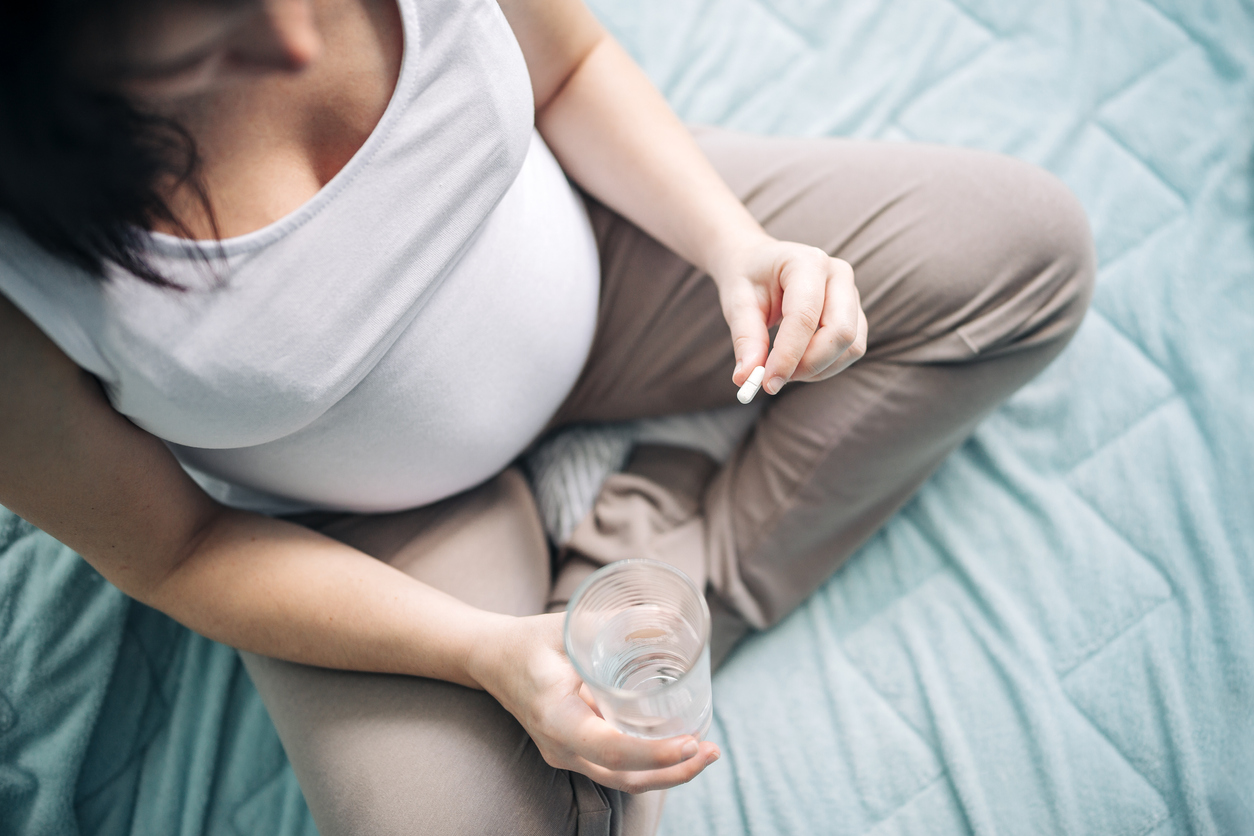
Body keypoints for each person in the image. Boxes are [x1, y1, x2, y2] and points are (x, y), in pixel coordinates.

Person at [0, 0, 1095, 832]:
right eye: (199, 34)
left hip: (612, 270)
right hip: (361, 531)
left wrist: (735, 246)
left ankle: (673, 568)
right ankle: (616, 577)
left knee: (1023, 247)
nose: (296, 37)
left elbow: (568, 67)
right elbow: (176, 549)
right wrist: (484, 653)